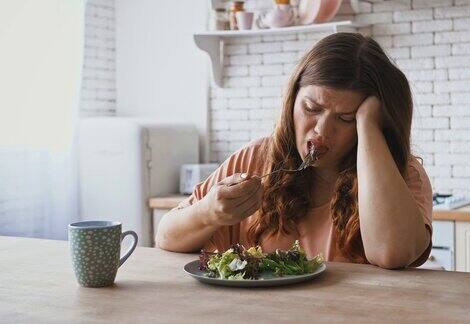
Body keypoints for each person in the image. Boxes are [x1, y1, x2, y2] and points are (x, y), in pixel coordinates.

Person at [156, 32, 433, 269]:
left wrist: (370, 124)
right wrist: (209, 212)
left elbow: (392, 253)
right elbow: (166, 236)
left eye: (346, 118)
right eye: (311, 109)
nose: (322, 131)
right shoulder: (256, 158)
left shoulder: (400, 172)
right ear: (292, 100)